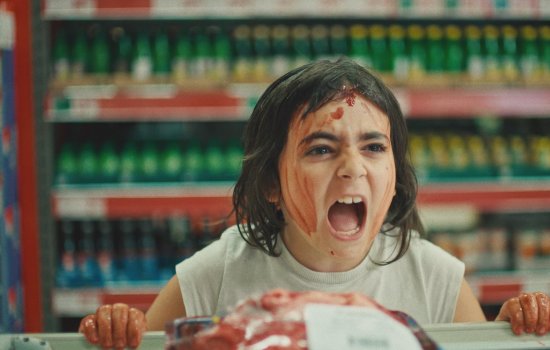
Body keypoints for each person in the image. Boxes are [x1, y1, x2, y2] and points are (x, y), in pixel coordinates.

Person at [79, 58, 550, 349]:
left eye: (374, 147)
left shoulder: (435, 279)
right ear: (269, 184)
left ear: (394, 181)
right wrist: (119, 330)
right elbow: (143, 337)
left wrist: (508, 334)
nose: (352, 168)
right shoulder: (213, 275)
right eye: (321, 149)